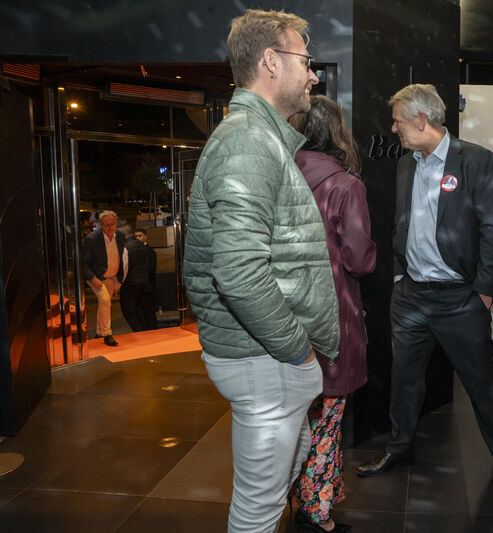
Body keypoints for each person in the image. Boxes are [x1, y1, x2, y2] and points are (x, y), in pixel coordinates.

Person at [182, 9, 339, 533]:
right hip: (264, 358)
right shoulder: (248, 141)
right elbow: (240, 273)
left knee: (282, 477)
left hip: (265, 357)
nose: (313, 75)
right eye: (306, 61)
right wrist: (297, 350)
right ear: (271, 62)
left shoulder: (259, 137)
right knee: (258, 511)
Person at [356, 84, 493, 491]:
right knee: (404, 380)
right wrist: (400, 276)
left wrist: (483, 293)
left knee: (481, 383)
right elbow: (402, 222)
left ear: (420, 120)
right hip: (411, 296)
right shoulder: (406, 164)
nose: (393, 128)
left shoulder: (476, 160)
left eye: (397, 121)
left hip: (460, 298)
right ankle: (400, 448)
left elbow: (492, 229)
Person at [288, 95, 376, 533]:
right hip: (331, 318)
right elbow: (360, 260)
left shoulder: (279, 175)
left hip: (282, 318)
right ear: (337, 132)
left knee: (293, 421)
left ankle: (301, 494)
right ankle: (316, 512)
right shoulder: (345, 185)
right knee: (327, 418)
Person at [82, 210, 127, 346]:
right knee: (105, 300)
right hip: (96, 276)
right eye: (107, 225)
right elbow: (83, 262)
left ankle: (99, 332)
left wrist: (118, 279)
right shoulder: (91, 239)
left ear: (116, 223)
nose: (110, 227)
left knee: (104, 304)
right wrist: (91, 277)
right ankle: (107, 334)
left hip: (112, 276)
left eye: (112, 224)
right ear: (101, 225)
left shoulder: (120, 236)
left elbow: (122, 256)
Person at [119, 225, 158, 331]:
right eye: (136, 236)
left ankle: (142, 331)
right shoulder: (144, 247)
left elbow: (125, 267)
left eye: (140, 235)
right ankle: (149, 332)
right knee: (145, 310)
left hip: (135, 283)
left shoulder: (126, 247)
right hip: (144, 284)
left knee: (136, 310)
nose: (138, 238)